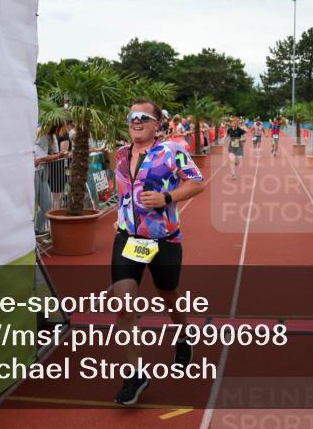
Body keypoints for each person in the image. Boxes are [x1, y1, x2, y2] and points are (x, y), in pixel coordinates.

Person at [111, 99, 204, 405]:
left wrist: (166, 196)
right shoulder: (121, 155)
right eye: (131, 116)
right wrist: (121, 216)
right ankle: (136, 373)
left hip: (164, 239)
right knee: (122, 302)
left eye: (142, 117)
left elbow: (196, 183)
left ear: (156, 124)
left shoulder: (172, 150)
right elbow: (122, 193)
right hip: (128, 238)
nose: (135, 121)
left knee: (169, 295)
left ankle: (183, 335)